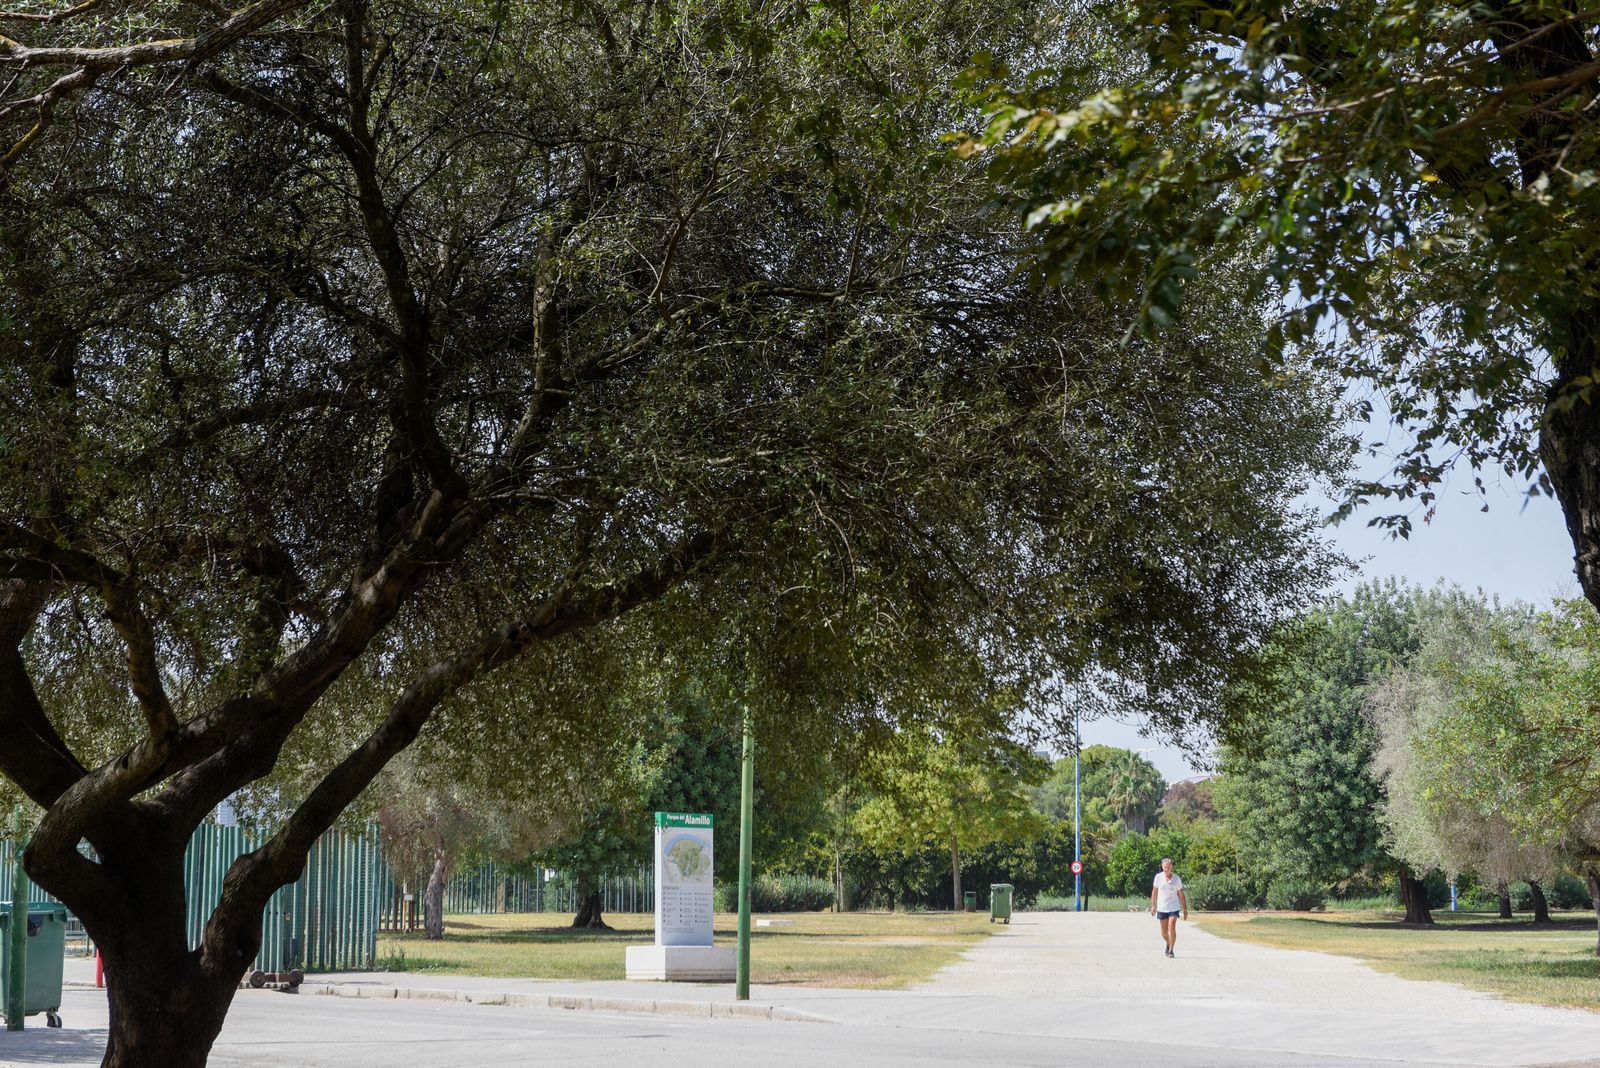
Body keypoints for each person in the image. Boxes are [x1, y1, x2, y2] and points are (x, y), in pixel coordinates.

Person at [1148, 856, 1188, 958]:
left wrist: (1185, 909)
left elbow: (1181, 894)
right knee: (1164, 931)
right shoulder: (1158, 877)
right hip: (1162, 907)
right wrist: (1153, 906)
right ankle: (1168, 943)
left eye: (1168, 867)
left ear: (1172, 867)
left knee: (1172, 926)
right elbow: (1154, 892)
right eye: (1165, 867)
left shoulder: (1176, 879)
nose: (1166, 869)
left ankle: (1171, 951)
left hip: (1173, 907)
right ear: (1162, 867)